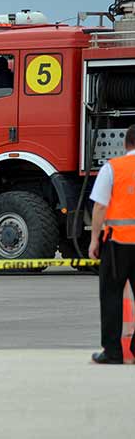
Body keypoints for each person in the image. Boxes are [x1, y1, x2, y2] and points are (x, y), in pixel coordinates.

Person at [89, 124, 135, 364]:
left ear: (125, 144)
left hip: (118, 243)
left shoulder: (113, 168)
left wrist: (94, 239)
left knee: (111, 295)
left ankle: (113, 352)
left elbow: (100, 205)